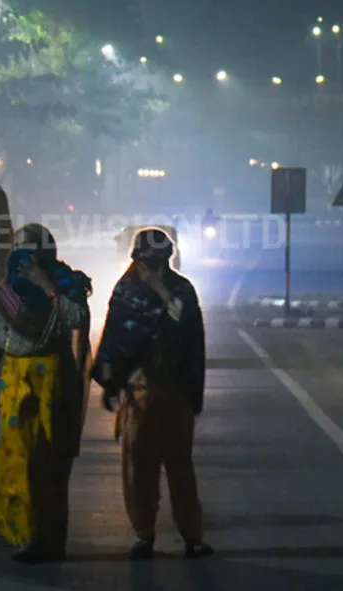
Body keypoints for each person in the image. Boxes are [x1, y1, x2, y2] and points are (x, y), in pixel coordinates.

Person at [0, 223, 92, 563]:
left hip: (51, 382)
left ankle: (51, 538)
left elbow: (77, 318)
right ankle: (26, 535)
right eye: (19, 248)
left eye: (31, 248)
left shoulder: (66, 283)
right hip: (15, 383)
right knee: (18, 459)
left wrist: (46, 286)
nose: (24, 256)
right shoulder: (8, 290)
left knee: (51, 461)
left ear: (46, 252)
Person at [95, 227, 212, 560]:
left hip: (175, 391)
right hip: (139, 393)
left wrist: (160, 290)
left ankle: (192, 537)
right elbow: (113, 338)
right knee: (139, 466)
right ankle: (144, 535)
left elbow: (187, 330)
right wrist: (110, 382)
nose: (150, 267)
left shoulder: (181, 291)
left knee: (179, 465)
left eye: (157, 261)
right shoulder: (126, 291)